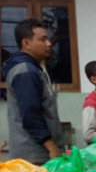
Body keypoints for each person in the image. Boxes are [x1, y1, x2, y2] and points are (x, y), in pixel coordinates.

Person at [1, 19, 64, 164]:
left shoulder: (32, 68)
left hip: (36, 153)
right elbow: (30, 114)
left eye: (48, 39)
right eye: (43, 40)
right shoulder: (26, 71)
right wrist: (51, 147)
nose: (49, 44)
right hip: (35, 155)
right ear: (26, 44)